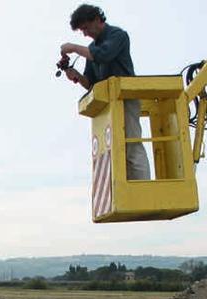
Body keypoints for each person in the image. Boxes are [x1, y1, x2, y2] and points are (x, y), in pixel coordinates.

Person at [60, 4, 151, 181]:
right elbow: (92, 84)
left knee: (132, 144)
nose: (85, 34)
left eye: (85, 28)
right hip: (107, 104)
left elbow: (103, 55)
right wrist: (76, 75)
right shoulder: (91, 49)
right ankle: (124, 190)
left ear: (96, 20)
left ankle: (142, 189)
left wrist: (73, 47)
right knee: (113, 150)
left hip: (126, 98)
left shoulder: (118, 35)